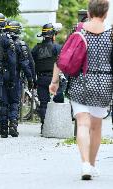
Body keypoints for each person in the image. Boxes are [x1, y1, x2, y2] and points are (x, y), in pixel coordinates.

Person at [50, 0, 112, 180]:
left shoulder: (79, 31)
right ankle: (92, 165)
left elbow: (63, 57)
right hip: (104, 83)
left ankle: (84, 164)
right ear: (106, 13)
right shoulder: (111, 34)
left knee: (82, 124)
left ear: (90, 13)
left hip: (81, 81)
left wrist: (54, 81)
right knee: (96, 127)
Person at [0, 20, 34, 138]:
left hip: (1, 76)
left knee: (3, 102)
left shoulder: (1, 42)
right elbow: (26, 64)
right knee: (14, 102)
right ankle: (13, 125)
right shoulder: (21, 45)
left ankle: (3, 128)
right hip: (15, 76)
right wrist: (30, 79)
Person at [31, 23, 65, 134]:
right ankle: (57, 126)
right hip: (54, 79)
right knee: (58, 102)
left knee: (43, 103)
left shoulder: (36, 48)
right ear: (53, 35)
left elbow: (32, 64)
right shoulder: (57, 47)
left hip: (41, 79)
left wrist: (33, 79)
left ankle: (44, 127)